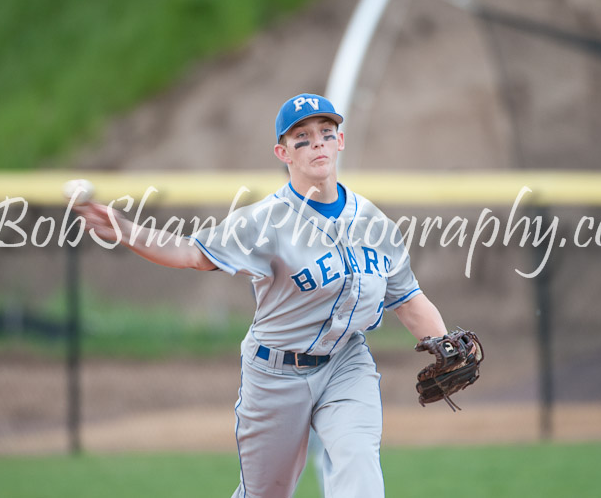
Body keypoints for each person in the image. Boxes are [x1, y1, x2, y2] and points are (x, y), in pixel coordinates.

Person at [77, 93, 448, 498]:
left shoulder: (374, 223)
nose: (317, 143)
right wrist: (126, 230)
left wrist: (444, 346)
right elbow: (191, 253)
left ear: (340, 141)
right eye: (302, 137)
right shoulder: (264, 221)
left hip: (346, 362)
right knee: (266, 493)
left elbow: (408, 299)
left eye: (326, 133)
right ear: (282, 152)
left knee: (358, 463)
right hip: (276, 373)